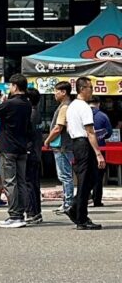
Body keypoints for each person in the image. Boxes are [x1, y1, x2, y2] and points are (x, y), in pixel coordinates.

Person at [0, 74, 32, 229]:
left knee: (9, 182)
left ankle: (15, 215)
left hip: (8, 148)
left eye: (11, 85)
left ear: (15, 86)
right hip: (22, 148)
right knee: (21, 182)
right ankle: (21, 214)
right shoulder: (27, 103)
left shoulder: (10, 103)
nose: (9, 88)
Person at [65, 77, 105, 230]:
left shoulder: (72, 106)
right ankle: (81, 217)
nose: (92, 91)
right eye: (90, 88)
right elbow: (90, 132)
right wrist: (98, 153)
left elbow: (68, 127)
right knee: (86, 181)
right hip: (84, 143)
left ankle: (75, 209)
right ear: (82, 89)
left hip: (76, 143)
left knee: (89, 180)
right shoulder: (84, 107)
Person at [43, 81, 74, 216]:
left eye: (56, 91)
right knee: (65, 175)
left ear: (63, 92)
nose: (54, 94)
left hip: (62, 146)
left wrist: (47, 140)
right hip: (64, 145)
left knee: (65, 176)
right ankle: (67, 202)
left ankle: (68, 203)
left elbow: (58, 128)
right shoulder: (67, 106)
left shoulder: (64, 107)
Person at [25, 88, 43, 224]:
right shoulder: (36, 113)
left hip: (30, 152)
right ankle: (36, 212)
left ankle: (32, 212)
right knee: (34, 184)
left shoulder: (30, 114)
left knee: (29, 184)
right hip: (36, 152)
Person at [90, 97, 112, 207]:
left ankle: (84, 198)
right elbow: (109, 132)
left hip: (84, 148)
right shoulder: (103, 116)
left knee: (85, 174)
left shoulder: (82, 115)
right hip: (100, 148)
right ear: (98, 104)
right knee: (99, 175)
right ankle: (96, 200)